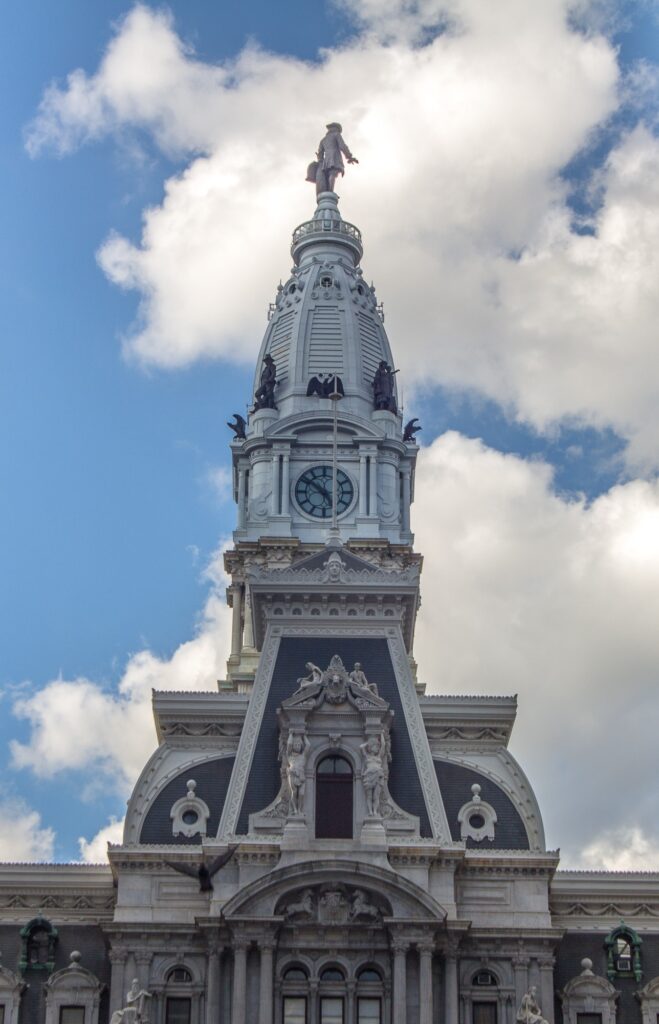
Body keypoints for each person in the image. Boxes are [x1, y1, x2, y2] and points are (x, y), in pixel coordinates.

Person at [315, 123, 359, 196]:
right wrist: (349, 157)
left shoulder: (323, 140)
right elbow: (343, 146)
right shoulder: (336, 135)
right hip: (335, 157)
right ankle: (330, 192)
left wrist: (320, 160)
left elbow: (320, 153)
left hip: (326, 160)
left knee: (328, 175)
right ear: (337, 129)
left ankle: (328, 193)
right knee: (333, 173)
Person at [360, 734, 385, 816]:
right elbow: (361, 747)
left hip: (378, 776)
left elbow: (383, 745)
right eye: (375, 746)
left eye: (378, 746)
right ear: (371, 748)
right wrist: (369, 742)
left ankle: (375, 811)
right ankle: (370, 811)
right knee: (369, 796)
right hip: (369, 777)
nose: (377, 748)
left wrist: (381, 734)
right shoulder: (367, 757)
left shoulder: (379, 756)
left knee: (376, 796)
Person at [286, 733, 310, 815]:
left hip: (301, 776)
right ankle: (295, 809)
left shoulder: (303, 756)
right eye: (295, 744)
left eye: (299, 744)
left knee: (301, 794)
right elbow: (289, 744)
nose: (297, 746)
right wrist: (291, 734)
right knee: (294, 792)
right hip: (293, 775)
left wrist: (304, 736)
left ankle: (300, 810)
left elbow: (308, 745)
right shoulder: (290, 756)